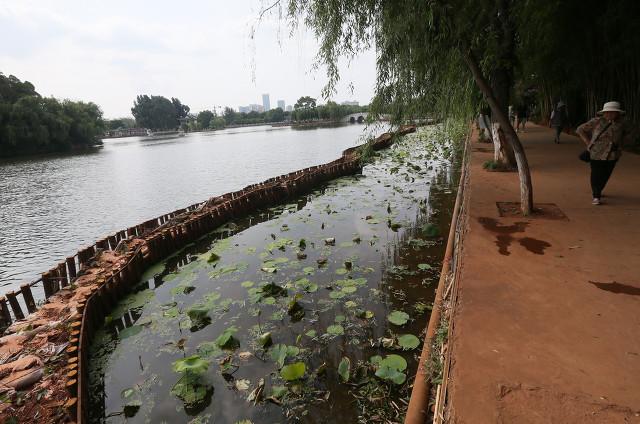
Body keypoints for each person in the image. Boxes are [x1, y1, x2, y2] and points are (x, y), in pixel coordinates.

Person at [576, 101, 633, 205]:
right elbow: (580, 129)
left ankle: (599, 189)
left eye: (612, 112)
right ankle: (596, 195)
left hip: (613, 154)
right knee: (596, 174)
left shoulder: (623, 123)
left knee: (606, 174)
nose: (609, 114)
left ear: (618, 113)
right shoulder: (597, 121)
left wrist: (622, 144)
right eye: (607, 112)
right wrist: (588, 143)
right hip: (596, 152)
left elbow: (629, 135)